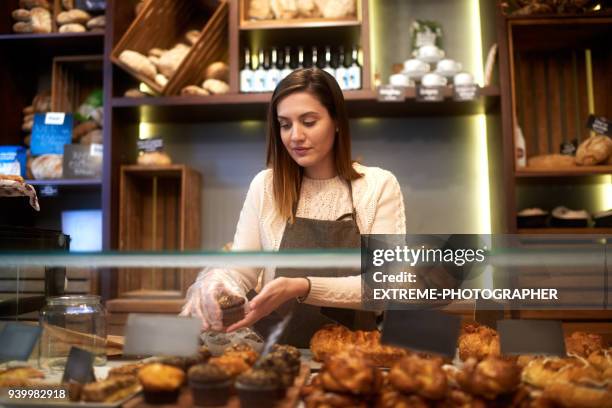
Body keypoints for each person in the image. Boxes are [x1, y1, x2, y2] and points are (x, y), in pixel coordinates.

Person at [180, 68, 406, 347]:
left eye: (309, 122)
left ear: (336, 121)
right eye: (285, 124)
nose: (295, 136)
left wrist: (303, 286)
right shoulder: (265, 185)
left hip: (352, 357)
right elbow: (241, 268)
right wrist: (217, 279)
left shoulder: (378, 185)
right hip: (278, 353)